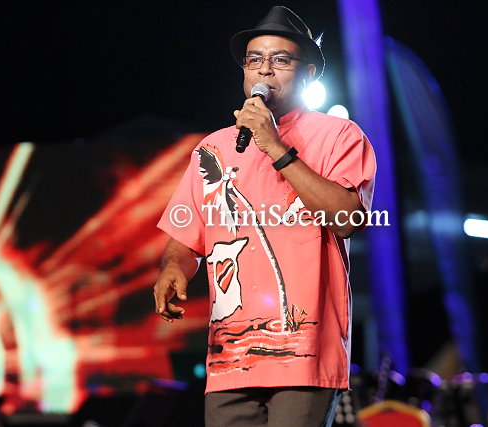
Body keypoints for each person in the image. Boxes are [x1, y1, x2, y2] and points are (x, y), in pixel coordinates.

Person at [154, 6, 376, 426]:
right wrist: (172, 268)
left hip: (304, 353)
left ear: (309, 73)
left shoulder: (340, 136)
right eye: (254, 59)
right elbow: (184, 239)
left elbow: (348, 219)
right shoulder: (214, 148)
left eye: (280, 60)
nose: (264, 69)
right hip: (229, 356)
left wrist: (275, 146)